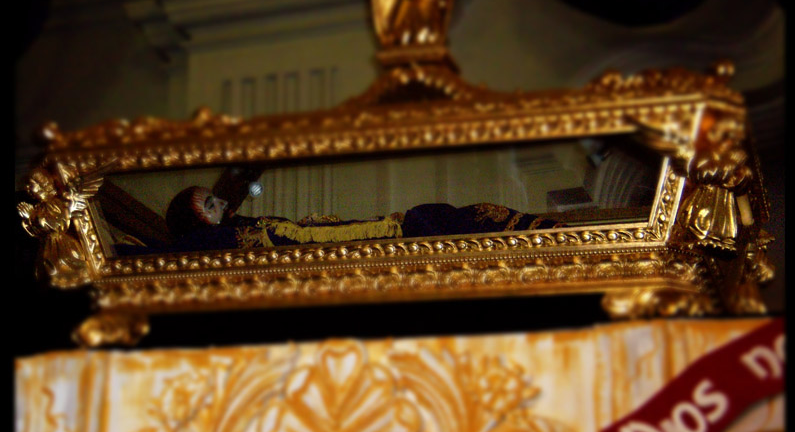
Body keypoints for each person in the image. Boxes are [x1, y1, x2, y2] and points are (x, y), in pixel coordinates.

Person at [165, 186, 562, 251]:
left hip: (386, 229)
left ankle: (549, 235)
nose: (223, 203)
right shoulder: (235, 240)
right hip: (384, 238)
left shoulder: (250, 227)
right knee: (462, 219)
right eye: (211, 204)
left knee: (470, 217)